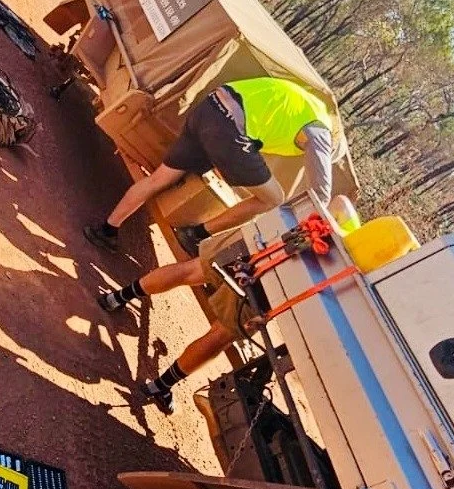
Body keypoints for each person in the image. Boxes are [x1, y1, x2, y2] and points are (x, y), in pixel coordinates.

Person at [83, 76, 335, 256]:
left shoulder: (302, 101)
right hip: (230, 129)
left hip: (210, 107)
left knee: (159, 179)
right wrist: (321, 219)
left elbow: (256, 130)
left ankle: (107, 229)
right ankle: (196, 234)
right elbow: (321, 189)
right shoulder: (321, 130)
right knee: (273, 198)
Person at [96, 235, 258, 414]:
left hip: (261, 238)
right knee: (223, 334)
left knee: (190, 270)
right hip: (273, 277)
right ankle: (159, 387)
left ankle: (116, 298)